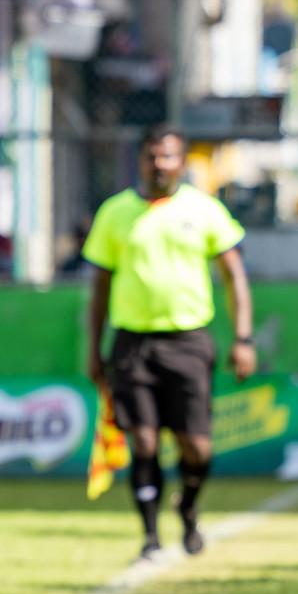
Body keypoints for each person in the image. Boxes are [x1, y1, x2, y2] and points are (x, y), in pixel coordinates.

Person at [84, 123, 255, 561]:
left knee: (195, 446)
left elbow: (234, 276)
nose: (159, 164)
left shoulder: (205, 209)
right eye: (152, 156)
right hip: (132, 344)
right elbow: (100, 288)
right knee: (142, 441)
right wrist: (94, 348)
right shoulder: (115, 213)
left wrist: (243, 338)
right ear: (140, 160)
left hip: (189, 341)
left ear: (181, 162)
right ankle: (149, 536)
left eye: (169, 156)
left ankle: (190, 506)